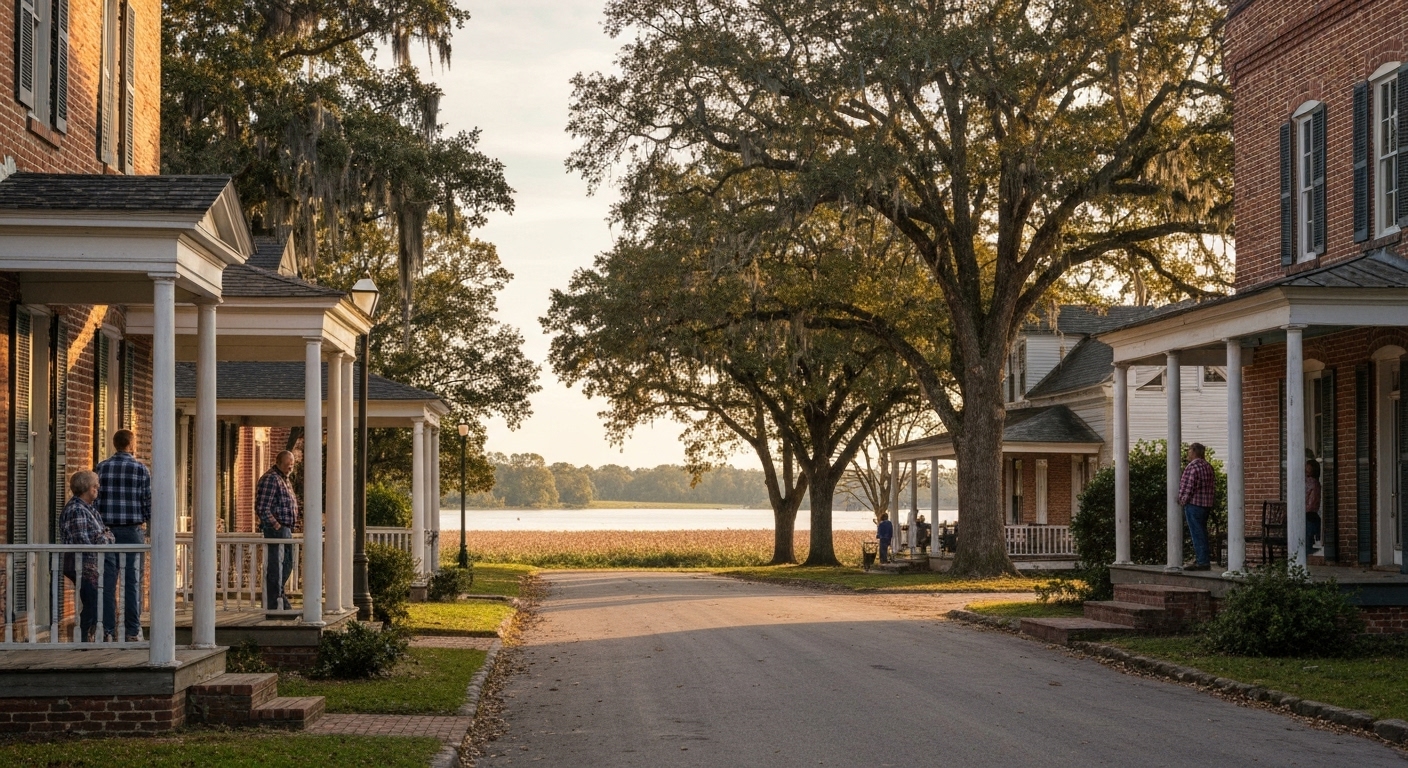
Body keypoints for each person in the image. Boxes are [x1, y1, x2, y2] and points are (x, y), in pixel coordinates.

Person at [95, 429, 150, 642]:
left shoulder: (101, 467)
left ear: (114, 443)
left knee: (107, 581)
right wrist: (148, 525)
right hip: (132, 530)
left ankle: (108, 630)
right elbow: (147, 501)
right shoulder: (140, 469)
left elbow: (95, 500)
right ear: (131, 444)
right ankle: (131, 631)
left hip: (106, 530)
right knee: (132, 582)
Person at [59, 470, 113, 642]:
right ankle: (83, 638)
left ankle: (87, 636)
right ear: (86, 488)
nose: (97, 488)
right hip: (82, 563)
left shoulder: (90, 509)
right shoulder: (76, 510)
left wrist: (104, 537)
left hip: (92, 563)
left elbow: (109, 535)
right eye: (94, 486)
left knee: (95, 601)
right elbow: (82, 541)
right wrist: (103, 538)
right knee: (92, 602)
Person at [256, 450, 300, 610]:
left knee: (287, 563)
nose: (290, 468)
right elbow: (262, 507)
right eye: (288, 465)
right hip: (277, 530)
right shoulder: (271, 479)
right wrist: (277, 526)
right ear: (279, 462)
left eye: (292, 465)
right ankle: (274, 604)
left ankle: (278, 598)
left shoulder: (284, 479)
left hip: (286, 529)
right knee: (276, 566)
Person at [1177, 442, 1216, 571]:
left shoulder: (1192, 467)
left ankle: (1202, 561)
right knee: (1202, 531)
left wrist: (1182, 500)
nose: (1188, 453)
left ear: (1194, 452)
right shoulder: (1208, 466)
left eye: (1189, 451)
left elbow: (1188, 487)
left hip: (1194, 504)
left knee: (1197, 533)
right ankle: (1202, 558)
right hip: (1206, 504)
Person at [1306, 459, 1322, 552]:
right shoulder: (1312, 482)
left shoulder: (1313, 483)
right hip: (1309, 513)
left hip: (1309, 514)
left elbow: (1312, 503)